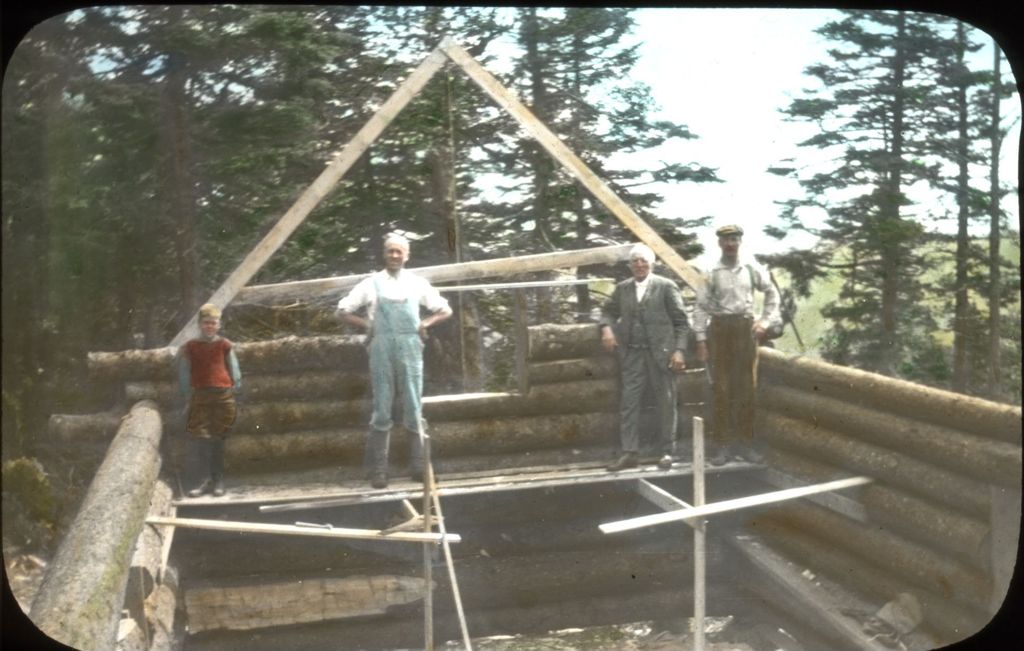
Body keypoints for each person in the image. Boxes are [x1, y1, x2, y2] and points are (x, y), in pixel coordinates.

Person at [336, 233, 453, 489]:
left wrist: (425, 323)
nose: (395, 256)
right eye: (390, 251)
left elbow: (445, 309)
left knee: (413, 403)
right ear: (384, 254)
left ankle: (420, 467)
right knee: (382, 406)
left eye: (400, 252)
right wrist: (367, 324)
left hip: (410, 347)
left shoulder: (417, 283)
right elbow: (343, 310)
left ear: (407, 256)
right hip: (381, 348)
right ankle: (379, 471)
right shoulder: (371, 283)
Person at [692, 224, 781, 465]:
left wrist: (764, 321)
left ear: (740, 241)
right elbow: (700, 307)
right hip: (719, 331)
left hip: (745, 330)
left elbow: (772, 294)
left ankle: (746, 445)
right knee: (721, 389)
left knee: (746, 389)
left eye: (734, 239)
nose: (730, 244)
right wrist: (700, 339)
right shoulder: (711, 271)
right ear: (719, 243)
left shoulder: (751, 269)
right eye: (726, 240)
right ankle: (722, 447)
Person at [599, 243, 690, 472]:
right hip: (632, 355)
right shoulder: (623, 289)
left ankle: (668, 451)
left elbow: (681, 322)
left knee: (666, 402)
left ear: (652, 263)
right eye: (635, 261)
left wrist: (679, 350)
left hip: (662, 355)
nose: (639, 265)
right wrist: (607, 329)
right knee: (629, 403)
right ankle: (629, 453)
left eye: (644, 260)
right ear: (630, 265)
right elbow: (608, 311)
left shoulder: (666, 287)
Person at [177, 303, 242, 497]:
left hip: (223, 396)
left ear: (218, 325)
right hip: (200, 397)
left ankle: (219, 481)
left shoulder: (224, 345)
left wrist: (235, 389)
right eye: (206, 323)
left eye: (213, 323)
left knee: (219, 439)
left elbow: (234, 369)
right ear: (199, 324)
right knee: (201, 439)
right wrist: (187, 395)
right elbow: (184, 373)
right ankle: (204, 481)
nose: (209, 327)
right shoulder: (191, 347)